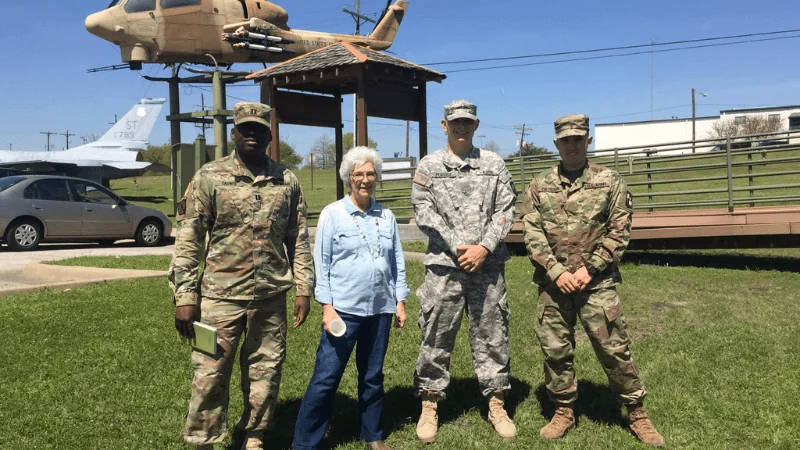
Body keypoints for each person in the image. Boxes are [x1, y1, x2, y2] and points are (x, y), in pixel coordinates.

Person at [168, 101, 314, 450]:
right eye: (245, 129)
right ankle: (204, 439)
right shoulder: (208, 177)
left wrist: (305, 288)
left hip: (270, 297)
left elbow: (299, 238)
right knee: (209, 373)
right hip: (218, 298)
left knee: (266, 370)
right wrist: (185, 298)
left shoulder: (286, 180)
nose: (252, 134)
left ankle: (255, 436)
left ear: (268, 135)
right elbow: (188, 240)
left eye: (259, 129)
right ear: (234, 134)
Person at [520, 114, 665, 447]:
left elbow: (620, 230)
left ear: (588, 141)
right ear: (557, 144)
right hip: (554, 285)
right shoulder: (539, 185)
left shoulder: (610, 181)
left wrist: (590, 268)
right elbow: (531, 232)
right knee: (556, 350)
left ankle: (636, 412)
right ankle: (563, 411)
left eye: (578, 139)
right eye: (565, 140)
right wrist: (556, 271)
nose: (572, 145)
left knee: (614, 348)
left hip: (596, 282)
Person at [410, 100, 518, 442]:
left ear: (476, 124)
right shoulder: (429, 166)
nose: (461, 127)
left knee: (492, 334)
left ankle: (496, 401)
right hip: (445, 267)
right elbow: (424, 212)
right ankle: (430, 403)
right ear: (444, 126)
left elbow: (507, 208)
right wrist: (460, 246)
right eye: (454, 122)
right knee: (436, 335)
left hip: (487, 266)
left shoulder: (494, 164)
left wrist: (484, 247)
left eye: (467, 122)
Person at [292, 147, 410, 450]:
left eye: (371, 174)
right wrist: (327, 308)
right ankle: (306, 443)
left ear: (377, 178)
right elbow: (323, 263)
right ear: (348, 177)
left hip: (380, 309)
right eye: (359, 174)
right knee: (326, 379)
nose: (365, 179)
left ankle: (373, 434)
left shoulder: (387, 215)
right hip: (343, 311)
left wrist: (399, 300)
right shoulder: (333, 214)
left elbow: (396, 259)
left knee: (372, 376)